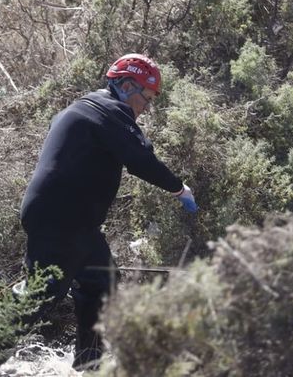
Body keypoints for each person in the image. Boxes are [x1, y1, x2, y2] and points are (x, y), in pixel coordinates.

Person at [19, 53, 198, 369]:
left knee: (103, 284)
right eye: (147, 97)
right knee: (44, 293)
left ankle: (89, 365)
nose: (147, 106)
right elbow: (141, 160)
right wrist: (178, 189)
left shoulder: (90, 109)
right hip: (62, 220)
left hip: (76, 224)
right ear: (127, 86)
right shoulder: (108, 110)